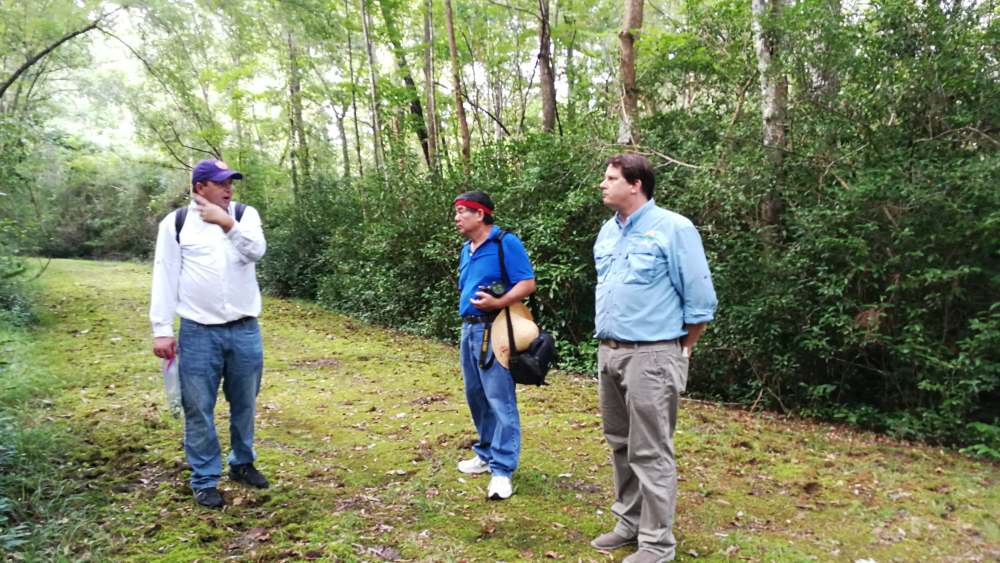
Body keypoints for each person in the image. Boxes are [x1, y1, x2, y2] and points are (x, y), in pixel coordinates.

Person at [589, 154, 717, 562]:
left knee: (652, 451)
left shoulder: (674, 228)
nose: (603, 185)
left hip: (653, 355)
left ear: (636, 184)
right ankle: (629, 522)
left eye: (610, 178)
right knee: (621, 444)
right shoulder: (607, 233)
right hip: (609, 353)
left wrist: (681, 352)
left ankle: (657, 546)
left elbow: (700, 302)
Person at [149, 159, 269, 509]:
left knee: (244, 403)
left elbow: (256, 251)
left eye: (231, 181)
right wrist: (161, 329)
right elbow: (165, 275)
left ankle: (242, 463)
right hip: (198, 332)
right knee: (198, 407)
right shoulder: (176, 224)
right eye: (221, 183)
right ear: (200, 187)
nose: (229, 188)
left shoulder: (245, 216)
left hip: (245, 329)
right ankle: (204, 478)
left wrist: (228, 224)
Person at [453, 190, 536, 500]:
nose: (458, 218)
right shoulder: (467, 249)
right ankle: (485, 454)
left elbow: (527, 282)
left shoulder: (505, 243)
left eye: (463, 211)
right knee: (475, 395)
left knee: (500, 398)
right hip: (469, 330)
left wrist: (499, 301)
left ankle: (502, 470)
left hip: (497, 329)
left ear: (481, 214)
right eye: (457, 212)